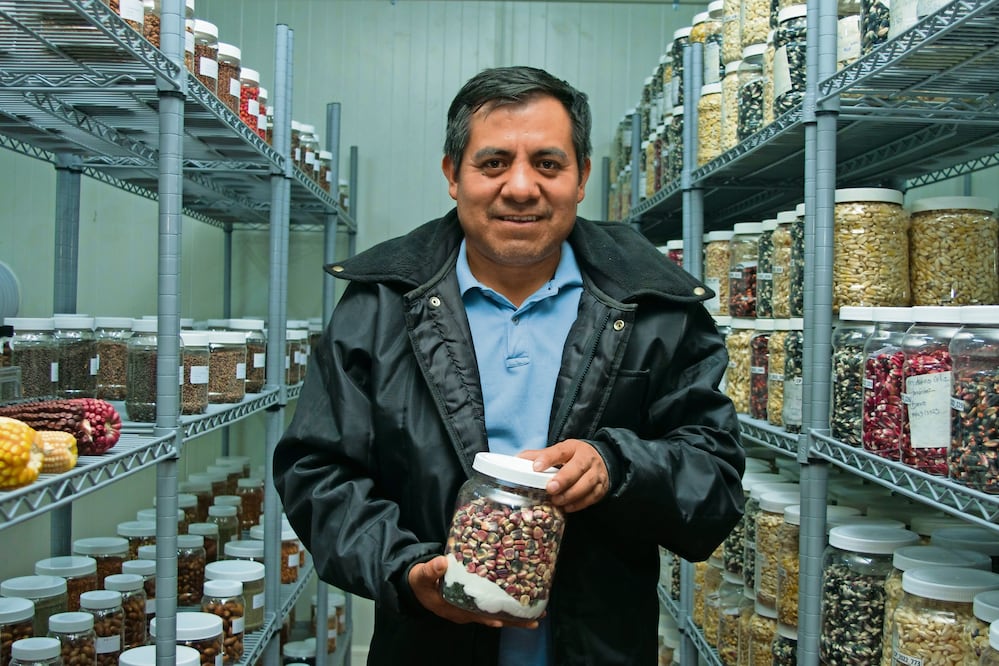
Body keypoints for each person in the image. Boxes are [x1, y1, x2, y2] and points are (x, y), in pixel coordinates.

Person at [274, 65, 744, 665]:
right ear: (452, 174)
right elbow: (318, 471)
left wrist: (615, 463)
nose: (521, 187)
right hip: (429, 647)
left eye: (548, 164)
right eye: (493, 163)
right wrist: (408, 572)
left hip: (598, 647)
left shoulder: (653, 306)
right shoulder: (380, 306)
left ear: (582, 178)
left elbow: (716, 478)